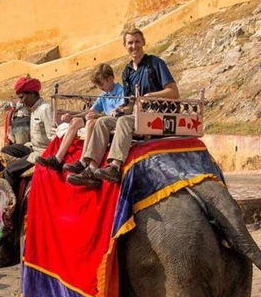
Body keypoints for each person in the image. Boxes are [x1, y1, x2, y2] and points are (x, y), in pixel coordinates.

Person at [66, 28, 179, 188]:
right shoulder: (127, 71)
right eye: (130, 43)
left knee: (124, 122)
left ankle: (114, 166)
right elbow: (130, 104)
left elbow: (174, 92)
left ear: (143, 42)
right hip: (137, 114)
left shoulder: (155, 63)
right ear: (125, 46)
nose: (134, 46)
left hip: (156, 114)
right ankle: (91, 169)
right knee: (103, 122)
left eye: (137, 42)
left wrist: (151, 96)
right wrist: (122, 109)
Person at [35, 63, 125, 172]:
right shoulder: (103, 94)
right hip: (101, 120)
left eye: (101, 84)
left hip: (111, 123)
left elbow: (119, 113)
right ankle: (58, 159)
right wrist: (72, 116)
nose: (99, 88)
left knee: (90, 122)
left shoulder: (121, 91)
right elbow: (91, 110)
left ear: (110, 79)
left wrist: (98, 115)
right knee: (76, 121)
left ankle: (83, 162)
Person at [1, 76, 54, 182]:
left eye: (22, 97)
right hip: (32, 147)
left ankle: (13, 198)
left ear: (32, 94)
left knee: (9, 171)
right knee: (5, 150)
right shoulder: (34, 109)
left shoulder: (45, 109)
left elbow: (53, 137)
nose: (21, 102)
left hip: (42, 152)